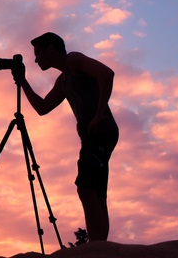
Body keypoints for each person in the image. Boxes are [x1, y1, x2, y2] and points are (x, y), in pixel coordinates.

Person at [12, 32, 119, 242]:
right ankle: (102, 246)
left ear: (52, 48)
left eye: (38, 53)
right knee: (96, 192)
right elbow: (43, 108)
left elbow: (107, 74)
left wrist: (98, 115)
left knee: (85, 187)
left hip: (100, 131)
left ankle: (97, 247)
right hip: (93, 135)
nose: (35, 59)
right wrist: (22, 81)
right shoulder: (63, 80)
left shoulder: (73, 60)